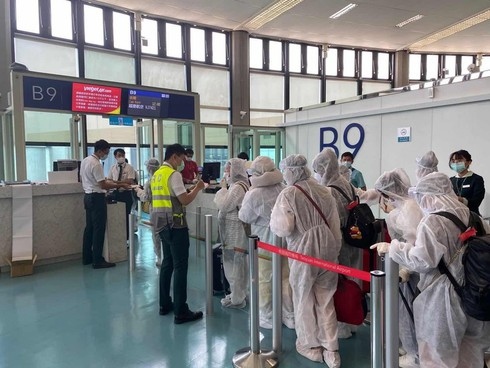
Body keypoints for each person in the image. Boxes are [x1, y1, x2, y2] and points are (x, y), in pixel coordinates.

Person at [371, 172, 490, 368]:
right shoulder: (472, 215)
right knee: (470, 353)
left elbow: (422, 261)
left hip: (443, 298)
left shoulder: (433, 221)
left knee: (436, 355)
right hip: (474, 292)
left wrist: (393, 248)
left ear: (427, 196)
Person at [270, 154, 342, 368]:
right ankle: (332, 350)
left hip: (303, 250)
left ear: (292, 171)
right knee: (326, 299)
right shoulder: (324, 190)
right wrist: (334, 250)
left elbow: (283, 228)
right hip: (328, 248)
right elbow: (334, 224)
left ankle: (309, 345)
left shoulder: (289, 194)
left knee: (302, 298)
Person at [374, 168, 423, 368]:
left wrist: (405, 269)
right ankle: (408, 345)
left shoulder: (409, 209)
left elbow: (415, 245)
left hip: (412, 269)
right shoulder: (403, 207)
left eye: (384, 196)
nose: (383, 201)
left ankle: (414, 355)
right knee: (405, 309)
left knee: (408, 310)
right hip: (405, 265)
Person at [238, 156, 295, 329]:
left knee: (264, 280)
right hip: (285, 242)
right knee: (286, 278)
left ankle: (267, 316)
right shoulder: (284, 188)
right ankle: (289, 315)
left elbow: (244, 216)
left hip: (264, 243)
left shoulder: (254, 194)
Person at [151, 143, 205, 324]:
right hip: (176, 224)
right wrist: (197, 188)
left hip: (161, 225)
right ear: (174, 156)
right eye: (181, 159)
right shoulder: (173, 175)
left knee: (167, 264)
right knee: (181, 267)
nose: (182, 163)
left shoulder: (157, 174)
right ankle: (181, 311)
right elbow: (184, 200)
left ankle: (165, 304)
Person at [313, 148, 363, 340]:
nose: (318, 174)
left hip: (339, 241)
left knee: (339, 284)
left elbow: (327, 219)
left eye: (319, 170)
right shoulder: (346, 183)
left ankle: (340, 326)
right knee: (351, 281)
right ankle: (351, 321)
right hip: (352, 238)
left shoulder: (329, 191)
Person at [81, 139, 131, 269]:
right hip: (97, 198)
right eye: (106, 152)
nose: (106, 155)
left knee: (89, 228)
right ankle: (97, 260)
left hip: (87, 196)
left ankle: (87, 257)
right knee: (99, 229)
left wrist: (114, 182)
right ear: (100, 150)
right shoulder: (96, 164)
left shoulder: (85, 161)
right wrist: (120, 184)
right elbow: (102, 184)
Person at [214, 158, 250, 308]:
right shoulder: (237, 186)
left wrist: (222, 189)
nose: (225, 172)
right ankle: (238, 294)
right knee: (237, 265)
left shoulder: (237, 188)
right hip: (232, 231)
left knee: (234, 266)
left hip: (235, 232)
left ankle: (237, 298)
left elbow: (225, 205)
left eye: (228, 170)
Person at [134, 158, 162, 267]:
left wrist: (138, 191)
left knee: (156, 235)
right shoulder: (162, 178)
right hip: (167, 210)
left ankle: (160, 257)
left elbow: (146, 197)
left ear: (149, 168)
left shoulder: (150, 181)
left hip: (155, 210)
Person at [108, 148, 137, 240]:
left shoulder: (129, 167)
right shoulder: (113, 168)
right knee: (117, 217)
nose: (121, 157)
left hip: (126, 194)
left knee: (126, 216)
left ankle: (127, 238)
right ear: (115, 157)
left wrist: (116, 181)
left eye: (123, 155)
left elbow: (130, 180)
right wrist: (120, 183)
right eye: (119, 155)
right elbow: (109, 180)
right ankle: (118, 238)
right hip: (116, 193)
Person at [448, 149, 485, 215]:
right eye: (453, 161)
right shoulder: (450, 180)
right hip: (454, 216)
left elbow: (476, 202)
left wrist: (462, 200)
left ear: (469, 162)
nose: (456, 163)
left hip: (472, 216)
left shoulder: (476, 179)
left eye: (459, 161)